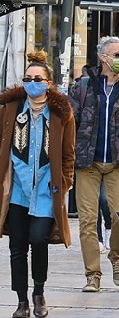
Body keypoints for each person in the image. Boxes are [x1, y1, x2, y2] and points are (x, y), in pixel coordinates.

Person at [70, 36, 119, 292]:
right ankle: (92, 275)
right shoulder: (83, 86)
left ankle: (116, 256)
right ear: (103, 58)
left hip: (118, 162)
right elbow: (69, 122)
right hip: (88, 163)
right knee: (87, 221)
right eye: (117, 54)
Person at [0, 51, 75, 318]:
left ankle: (39, 291)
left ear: (49, 83)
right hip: (17, 190)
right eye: (28, 78)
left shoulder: (61, 113)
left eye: (38, 78)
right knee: (17, 245)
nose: (33, 82)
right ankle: (22, 300)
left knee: (39, 238)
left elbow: (68, 154)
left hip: (46, 189)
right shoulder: (9, 109)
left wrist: (64, 182)